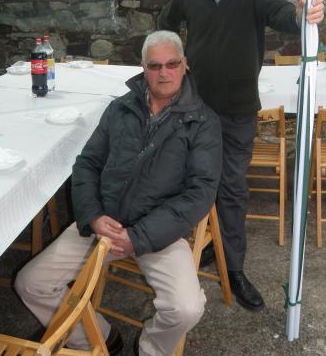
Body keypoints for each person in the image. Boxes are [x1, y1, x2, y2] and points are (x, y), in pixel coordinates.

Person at [15, 30, 222, 356]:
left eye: (171, 64)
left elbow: (200, 192)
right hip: (104, 225)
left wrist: (138, 237)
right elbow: (87, 164)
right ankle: (97, 338)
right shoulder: (120, 108)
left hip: (159, 234)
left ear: (185, 65)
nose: (164, 73)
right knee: (31, 283)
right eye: (154, 66)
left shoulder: (203, 122)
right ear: (143, 67)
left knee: (186, 308)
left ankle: (150, 349)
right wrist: (93, 216)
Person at [158, 0, 325, 312]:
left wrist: (303, 13)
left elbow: (283, 15)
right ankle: (202, 246)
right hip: (194, 108)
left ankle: (233, 268)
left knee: (231, 188)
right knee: (191, 181)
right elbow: (165, 25)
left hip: (237, 110)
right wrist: (175, 57)